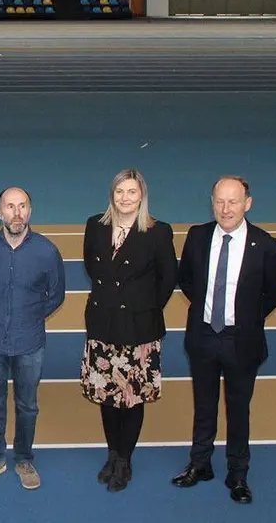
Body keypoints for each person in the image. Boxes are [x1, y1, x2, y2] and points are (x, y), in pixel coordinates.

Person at [171, 176, 276, 504]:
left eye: (233, 201)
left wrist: (244, 318)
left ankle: (237, 474)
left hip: (241, 341)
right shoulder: (198, 236)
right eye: (220, 201)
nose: (226, 208)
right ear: (212, 202)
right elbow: (187, 281)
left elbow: (273, 293)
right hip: (204, 337)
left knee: (238, 409)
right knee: (203, 406)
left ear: (247, 203)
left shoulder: (265, 245)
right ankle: (200, 464)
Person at [80, 169, 177, 492]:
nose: (125, 198)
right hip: (103, 325)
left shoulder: (158, 232)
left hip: (139, 330)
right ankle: (112, 454)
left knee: (132, 399)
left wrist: (142, 305)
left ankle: (125, 460)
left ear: (142, 196)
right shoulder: (96, 225)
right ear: (112, 195)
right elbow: (93, 268)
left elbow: (167, 279)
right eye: (120, 191)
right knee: (108, 397)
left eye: (131, 192)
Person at [0, 187, 65, 490]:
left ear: (30, 211)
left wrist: (30, 316)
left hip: (29, 343)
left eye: (22, 206)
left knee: (28, 406)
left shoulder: (47, 252)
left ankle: (24, 459)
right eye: (10, 207)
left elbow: (56, 296)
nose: (17, 213)